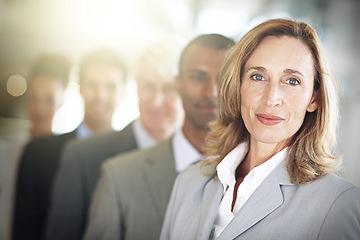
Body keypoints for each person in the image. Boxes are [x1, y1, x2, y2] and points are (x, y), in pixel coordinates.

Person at [160, 18, 360, 240]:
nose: (271, 98)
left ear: (314, 98)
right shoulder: (190, 181)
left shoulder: (338, 203)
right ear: (238, 87)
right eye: (258, 76)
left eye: (292, 81)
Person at [82, 34, 235, 240]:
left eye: (222, 79)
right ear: (180, 83)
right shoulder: (119, 176)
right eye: (198, 77)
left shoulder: (255, 172)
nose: (211, 92)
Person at [44, 40, 184, 240]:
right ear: (135, 89)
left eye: (169, 88)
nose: (156, 100)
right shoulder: (83, 156)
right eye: (148, 86)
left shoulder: (203, 159)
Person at [12, 48, 127, 240]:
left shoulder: (134, 157)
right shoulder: (38, 153)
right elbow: (24, 230)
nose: (100, 95)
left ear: (123, 91)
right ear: (79, 86)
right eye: (92, 85)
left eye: (111, 86)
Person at [25, 53, 72, 139]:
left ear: (61, 101)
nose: (40, 109)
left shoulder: (67, 150)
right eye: (33, 99)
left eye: (50, 100)